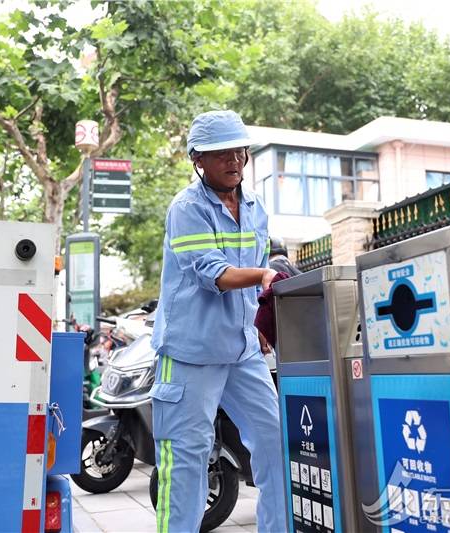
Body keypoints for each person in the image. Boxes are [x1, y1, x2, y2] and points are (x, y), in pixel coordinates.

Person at [150, 110, 287, 533]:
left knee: (276, 444)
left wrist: (260, 323)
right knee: (186, 463)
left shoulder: (255, 207)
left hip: (241, 350)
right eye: (220, 153)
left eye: (239, 151)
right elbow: (215, 273)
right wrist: (264, 276)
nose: (233, 160)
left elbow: (254, 277)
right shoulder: (186, 207)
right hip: (190, 353)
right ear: (198, 160)